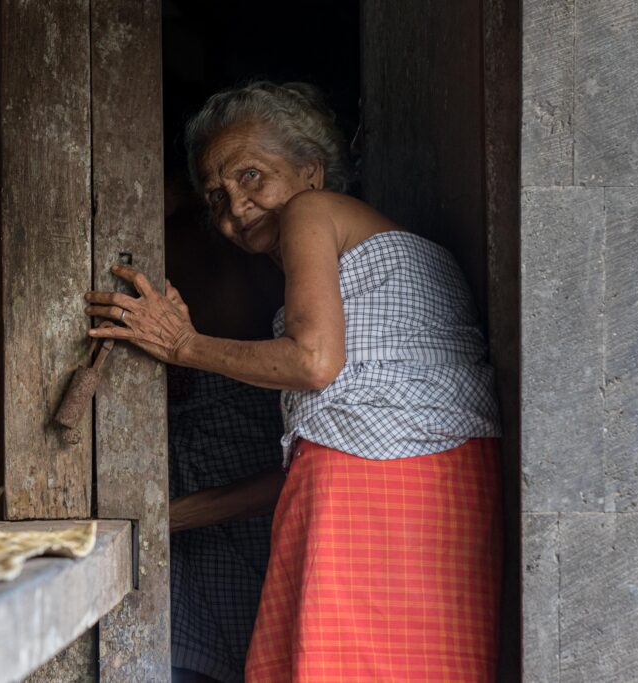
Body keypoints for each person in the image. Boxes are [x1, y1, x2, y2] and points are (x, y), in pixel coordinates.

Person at [85, 81, 503, 682]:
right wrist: (156, 517)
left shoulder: (312, 211)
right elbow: (317, 451)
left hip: (379, 492)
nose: (233, 208)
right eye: (215, 195)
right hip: (438, 487)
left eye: (251, 176)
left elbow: (313, 362)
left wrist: (182, 344)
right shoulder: (355, 260)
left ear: (311, 171)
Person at [162, 171, 286, 683]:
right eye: (216, 194)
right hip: (185, 444)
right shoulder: (188, 232)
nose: (234, 206)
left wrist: (162, 519)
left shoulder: (267, 250)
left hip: (246, 435)